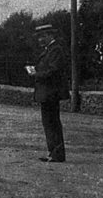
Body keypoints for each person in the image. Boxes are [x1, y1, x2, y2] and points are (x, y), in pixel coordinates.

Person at [29, 24, 69, 162]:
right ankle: (53, 153)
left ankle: (57, 154)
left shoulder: (56, 50)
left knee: (52, 122)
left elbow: (54, 71)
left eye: (42, 36)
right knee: (49, 123)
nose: (40, 40)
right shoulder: (49, 50)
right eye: (39, 37)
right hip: (47, 92)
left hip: (51, 92)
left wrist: (37, 74)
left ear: (50, 36)